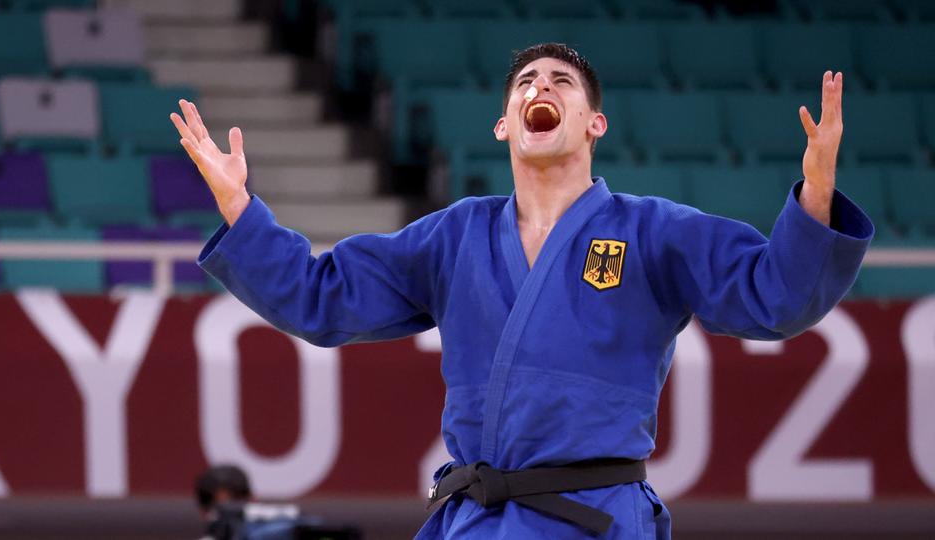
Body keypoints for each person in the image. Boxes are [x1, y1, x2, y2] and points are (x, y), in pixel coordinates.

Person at [170, 43, 873, 539]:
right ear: (505, 124)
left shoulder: (655, 232)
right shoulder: (454, 237)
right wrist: (241, 211)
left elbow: (776, 298)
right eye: (527, 83)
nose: (542, 88)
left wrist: (814, 195)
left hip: (593, 520)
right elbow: (319, 299)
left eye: (562, 82)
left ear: (594, 124)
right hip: (476, 522)